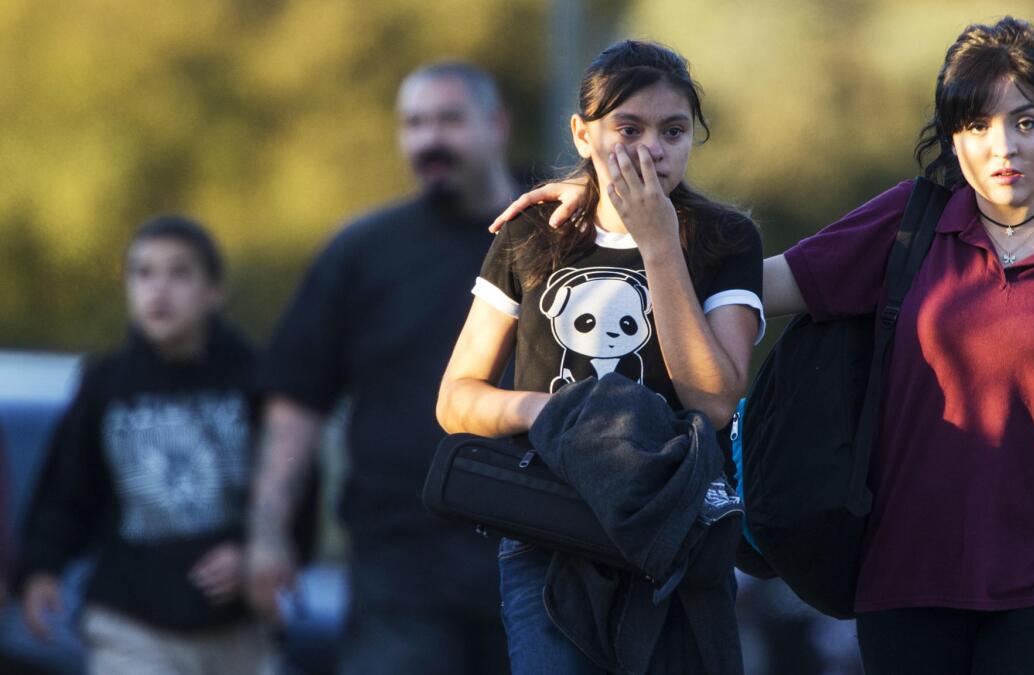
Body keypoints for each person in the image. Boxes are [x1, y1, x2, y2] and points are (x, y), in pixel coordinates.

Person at [493, 18, 1034, 675]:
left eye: (1026, 122)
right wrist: (608, 205)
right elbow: (738, 282)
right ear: (952, 135)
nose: (1003, 147)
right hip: (905, 577)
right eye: (976, 125)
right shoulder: (909, 222)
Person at [437, 40, 764, 674]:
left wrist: (659, 244)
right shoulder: (533, 232)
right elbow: (455, 400)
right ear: (582, 135)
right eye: (628, 128)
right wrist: (560, 413)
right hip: (547, 534)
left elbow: (716, 398)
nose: (652, 149)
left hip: (671, 534)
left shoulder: (725, 238)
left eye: (673, 131)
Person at [245, 62, 518, 675]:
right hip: (399, 564)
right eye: (414, 124)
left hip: (537, 554)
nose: (430, 140)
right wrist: (268, 532)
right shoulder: (361, 253)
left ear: (496, 124)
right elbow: (296, 400)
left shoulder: (551, 240)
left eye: (449, 120)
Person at [14, 216, 279, 675]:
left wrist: (255, 549)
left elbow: (293, 483)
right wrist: (41, 569)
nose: (159, 290)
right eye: (143, 273)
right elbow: (67, 489)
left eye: (179, 273)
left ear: (213, 289)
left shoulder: (254, 379)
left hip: (237, 628)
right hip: (130, 622)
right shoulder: (106, 384)